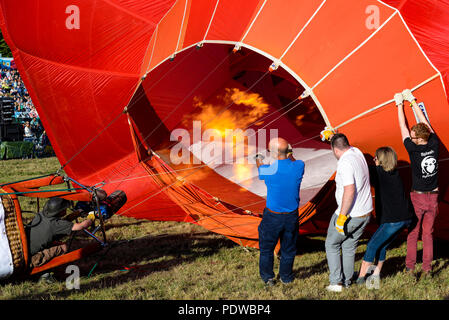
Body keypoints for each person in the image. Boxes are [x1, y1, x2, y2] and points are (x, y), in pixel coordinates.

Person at [395, 89, 440, 277]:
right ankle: (427, 269)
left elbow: (403, 128)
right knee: (428, 234)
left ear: (419, 139)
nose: (411, 137)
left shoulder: (412, 150)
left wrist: (399, 105)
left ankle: (410, 267)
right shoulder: (434, 143)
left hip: (418, 198)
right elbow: (427, 126)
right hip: (434, 198)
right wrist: (413, 102)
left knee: (413, 233)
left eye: (414, 136)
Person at [355, 147, 413, 286]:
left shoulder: (379, 172)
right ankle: (375, 276)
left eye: (375, 157)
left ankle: (361, 279)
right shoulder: (394, 173)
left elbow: (359, 165)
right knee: (382, 246)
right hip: (405, 218)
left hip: (393, 220)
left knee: (371, 246)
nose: (373, 159)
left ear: (380, 160)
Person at [325, 133, 373, 292]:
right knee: (348, 246)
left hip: (350, 214)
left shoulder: (345, 163)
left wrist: (341, 218)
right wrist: (332, 136)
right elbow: (340, 142)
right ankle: (346, 280)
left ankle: (336, 283)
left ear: (335, 150)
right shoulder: (356, 152)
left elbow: (349, 191)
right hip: (365, 213)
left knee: (331, 244)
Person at [255, 137, 305, 286]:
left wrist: (258, 158)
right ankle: (286, 277)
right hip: (292, 216)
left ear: (273, 153)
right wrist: (288, 152)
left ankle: (268, 278)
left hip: (273, 216)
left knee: (266, 249)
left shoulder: (268, 170)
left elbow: (259, 167)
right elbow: (294, 160)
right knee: (288, 248)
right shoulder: (299, 166)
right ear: (288, 150)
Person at [26, 197, 94, 268]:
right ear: (60, 211)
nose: (66, 209)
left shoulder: (41, 215)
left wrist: (77, 213)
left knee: (55, 242)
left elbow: (63, 223)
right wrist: (91, 219)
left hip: (24, 248)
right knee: (63, 247)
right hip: (31, 258)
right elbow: (80, 226)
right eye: (65, 208)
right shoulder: (55, 225)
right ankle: (47, 272)